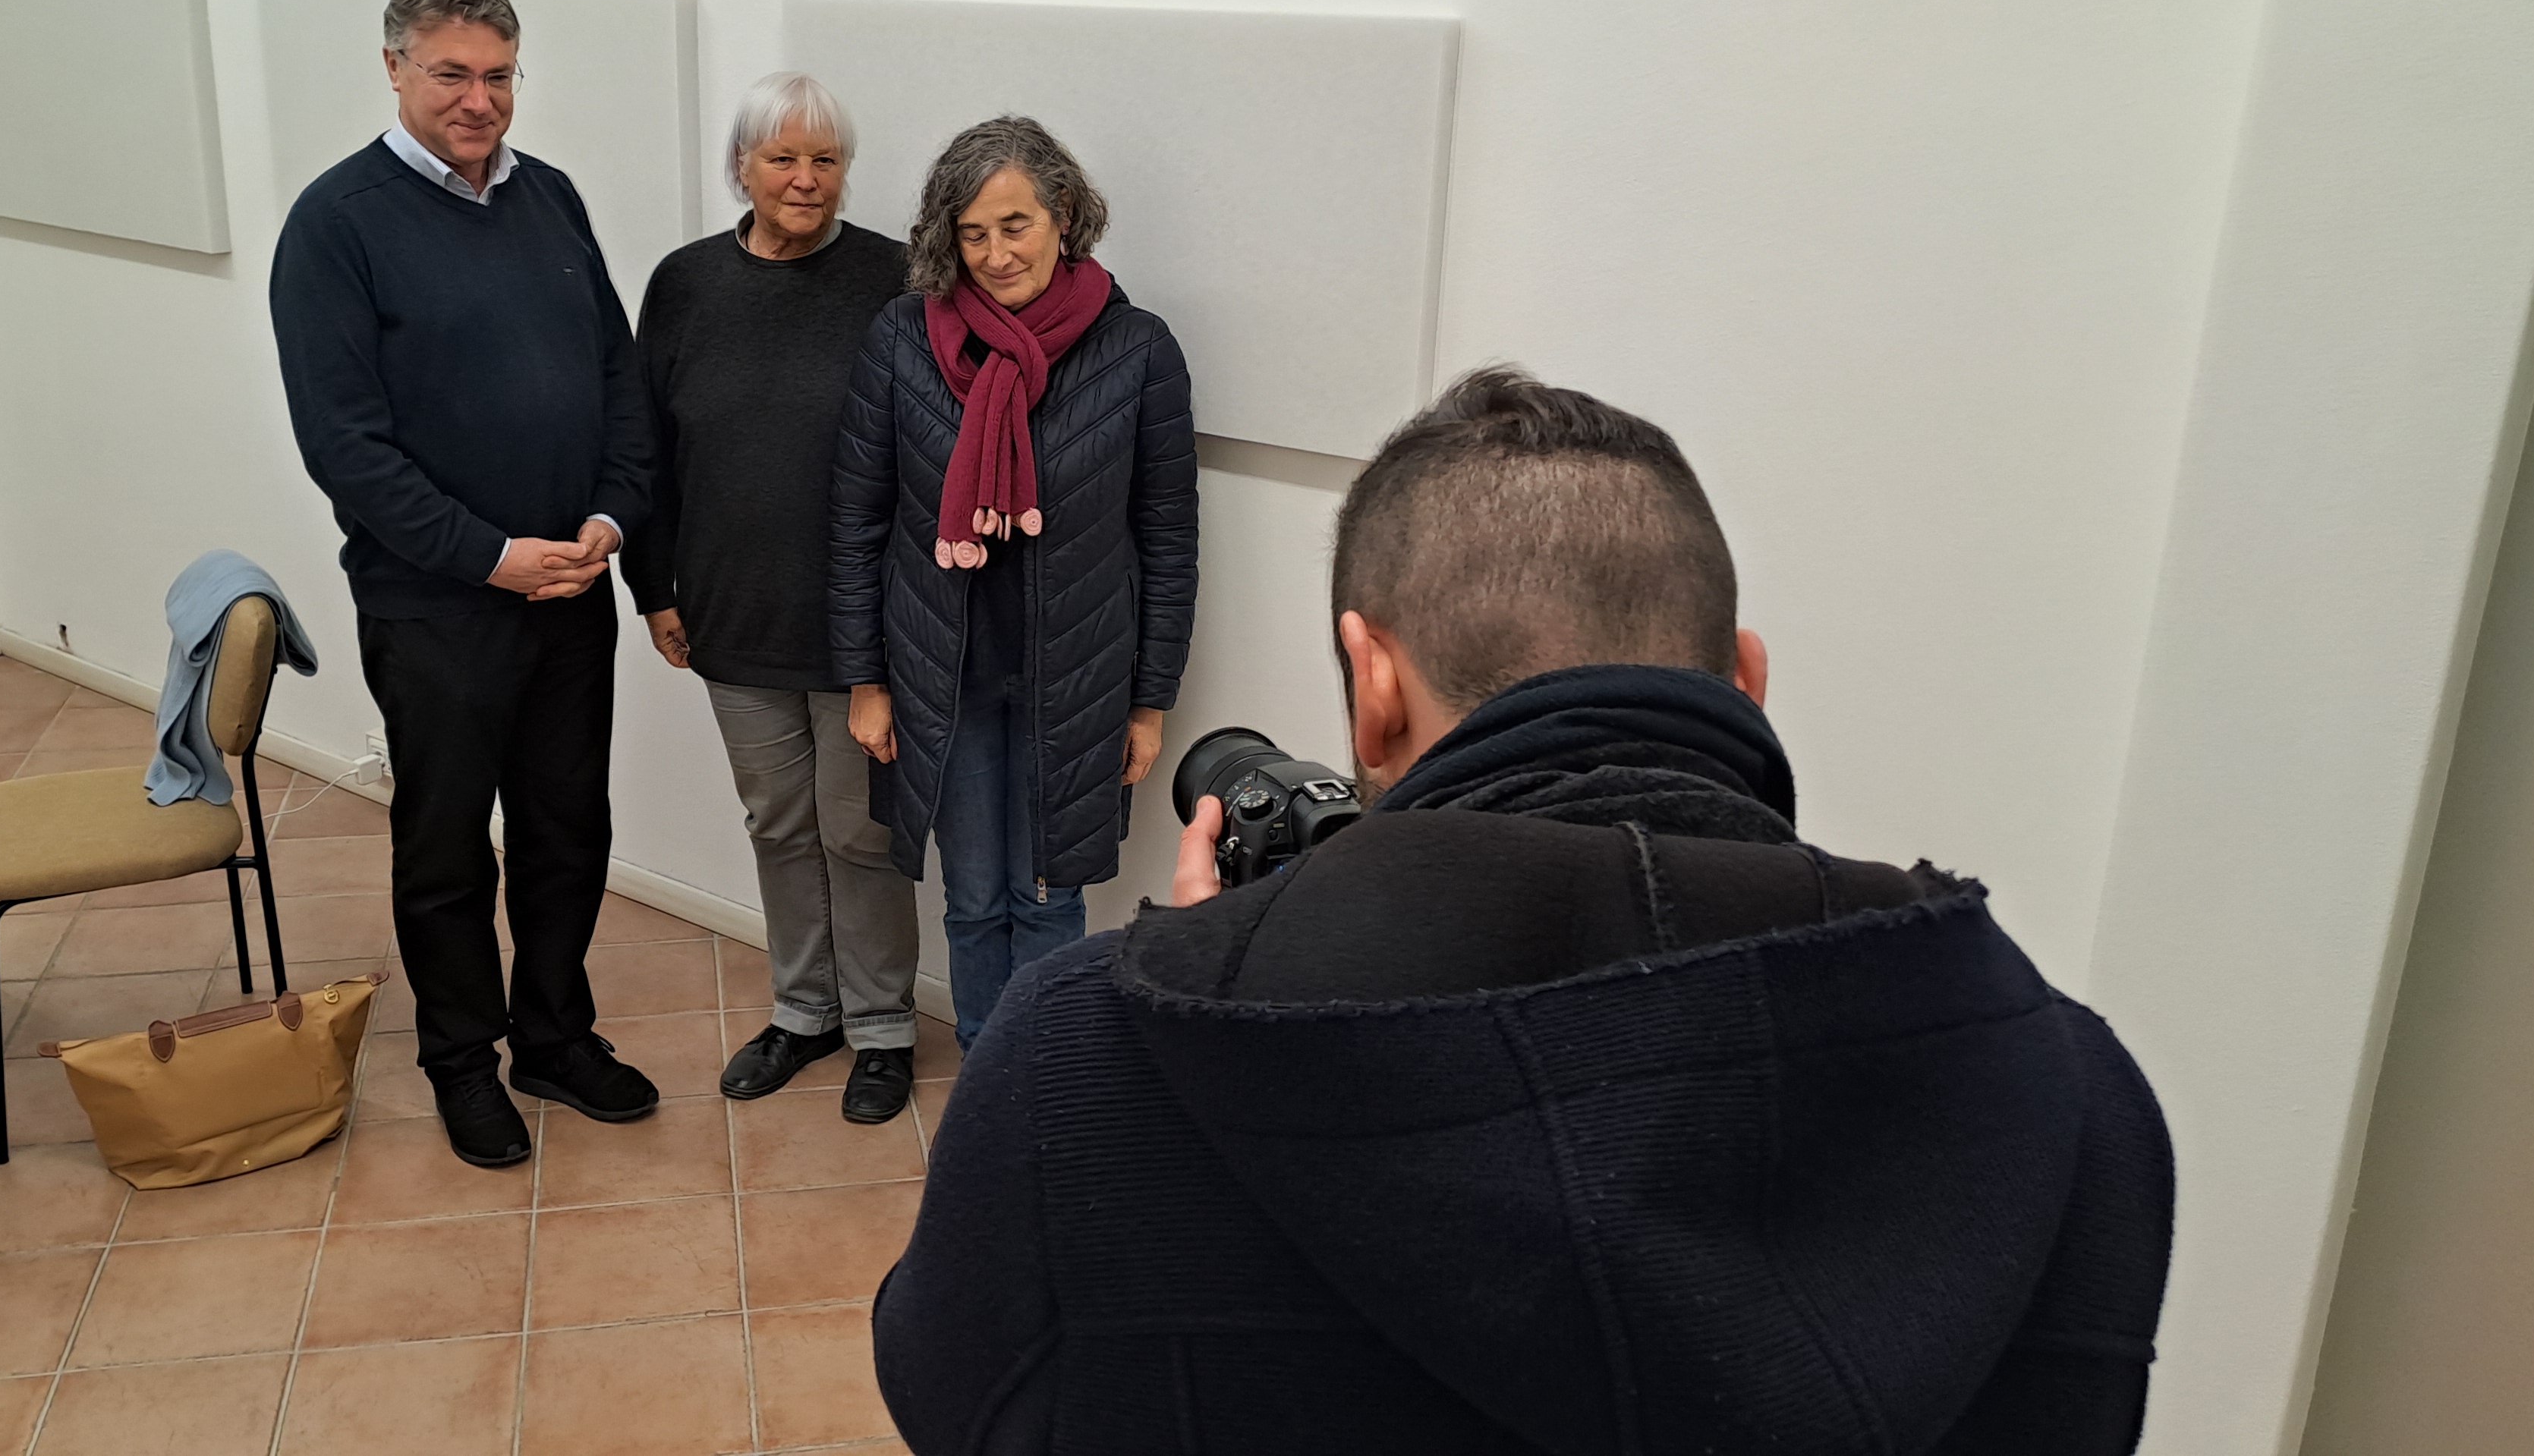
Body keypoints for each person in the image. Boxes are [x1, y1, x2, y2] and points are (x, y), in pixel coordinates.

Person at [873, 369, 2177, 1453]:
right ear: (1744, 681)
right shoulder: (2069, 1090)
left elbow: (952, 1391)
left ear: (1374, 686)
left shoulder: (1082, 1055)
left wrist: (1199, 979)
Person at [269, 0, 661, 1170]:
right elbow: (347, 450)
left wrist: (610, 518)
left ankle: (553, 1036)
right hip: (435, 607)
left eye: (499, 74)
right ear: (393, 67)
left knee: (567, 830)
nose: (479, 99)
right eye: (451, 73)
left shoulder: (551, 198)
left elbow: (618, 377)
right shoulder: (336, 225)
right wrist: (489, 558)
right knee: (445, 850)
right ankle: (460, 1060)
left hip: (570, 591)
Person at [826, 116, 1198, 1050]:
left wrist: (1149, 702)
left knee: (1048, 897)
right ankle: (986, 1070)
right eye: (972, 233)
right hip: (940, 678)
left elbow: (1167, 539)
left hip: (1075, 681)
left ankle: (1040, 1074)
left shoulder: (1138, 348)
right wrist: (867, 681)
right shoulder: (902, 338)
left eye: (1015, 225)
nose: (995, 256)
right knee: (972, 898)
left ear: (1062, 214)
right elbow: (858, 521)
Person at [624, 73, 925, 1124]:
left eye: (825, 159)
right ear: (741, 168)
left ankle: (882, 1025)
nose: (805, 179)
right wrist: (651, 584)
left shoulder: (896, 280)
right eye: (782, 158)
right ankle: (806, 1010)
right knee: (780, 824)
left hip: (861, 629)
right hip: (730, 610)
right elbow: (646, 446)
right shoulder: (685, 284)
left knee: (861, 832)